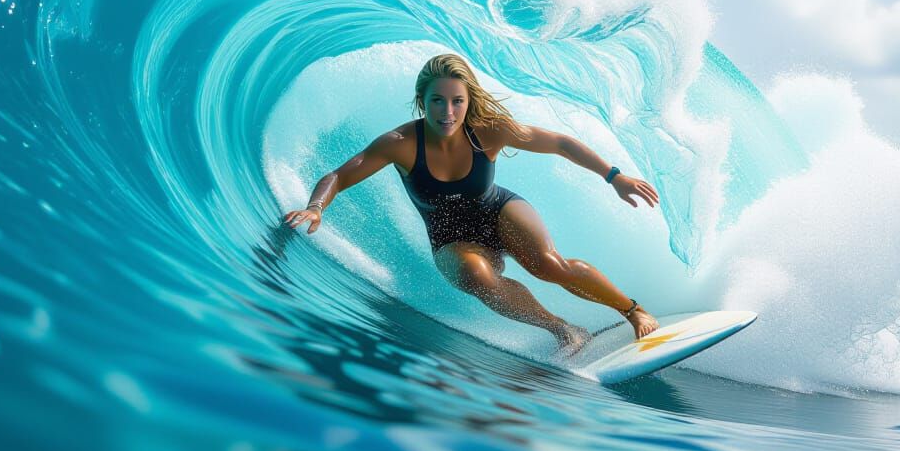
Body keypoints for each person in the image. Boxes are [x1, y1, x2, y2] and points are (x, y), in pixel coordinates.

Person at [282, 53, 661, 357]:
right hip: (451, 239)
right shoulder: (400, 142)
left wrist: (614, 176)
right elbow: (340, 175)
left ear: (468, 101)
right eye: (437, 101)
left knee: (549, 265)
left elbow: (560, 143)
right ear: (421, 101)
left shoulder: (489, 129)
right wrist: (317, 206)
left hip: (499, 211)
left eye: (457, 101)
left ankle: (632, 310)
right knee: (477, 278)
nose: (448, 112)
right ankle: (563, 329)